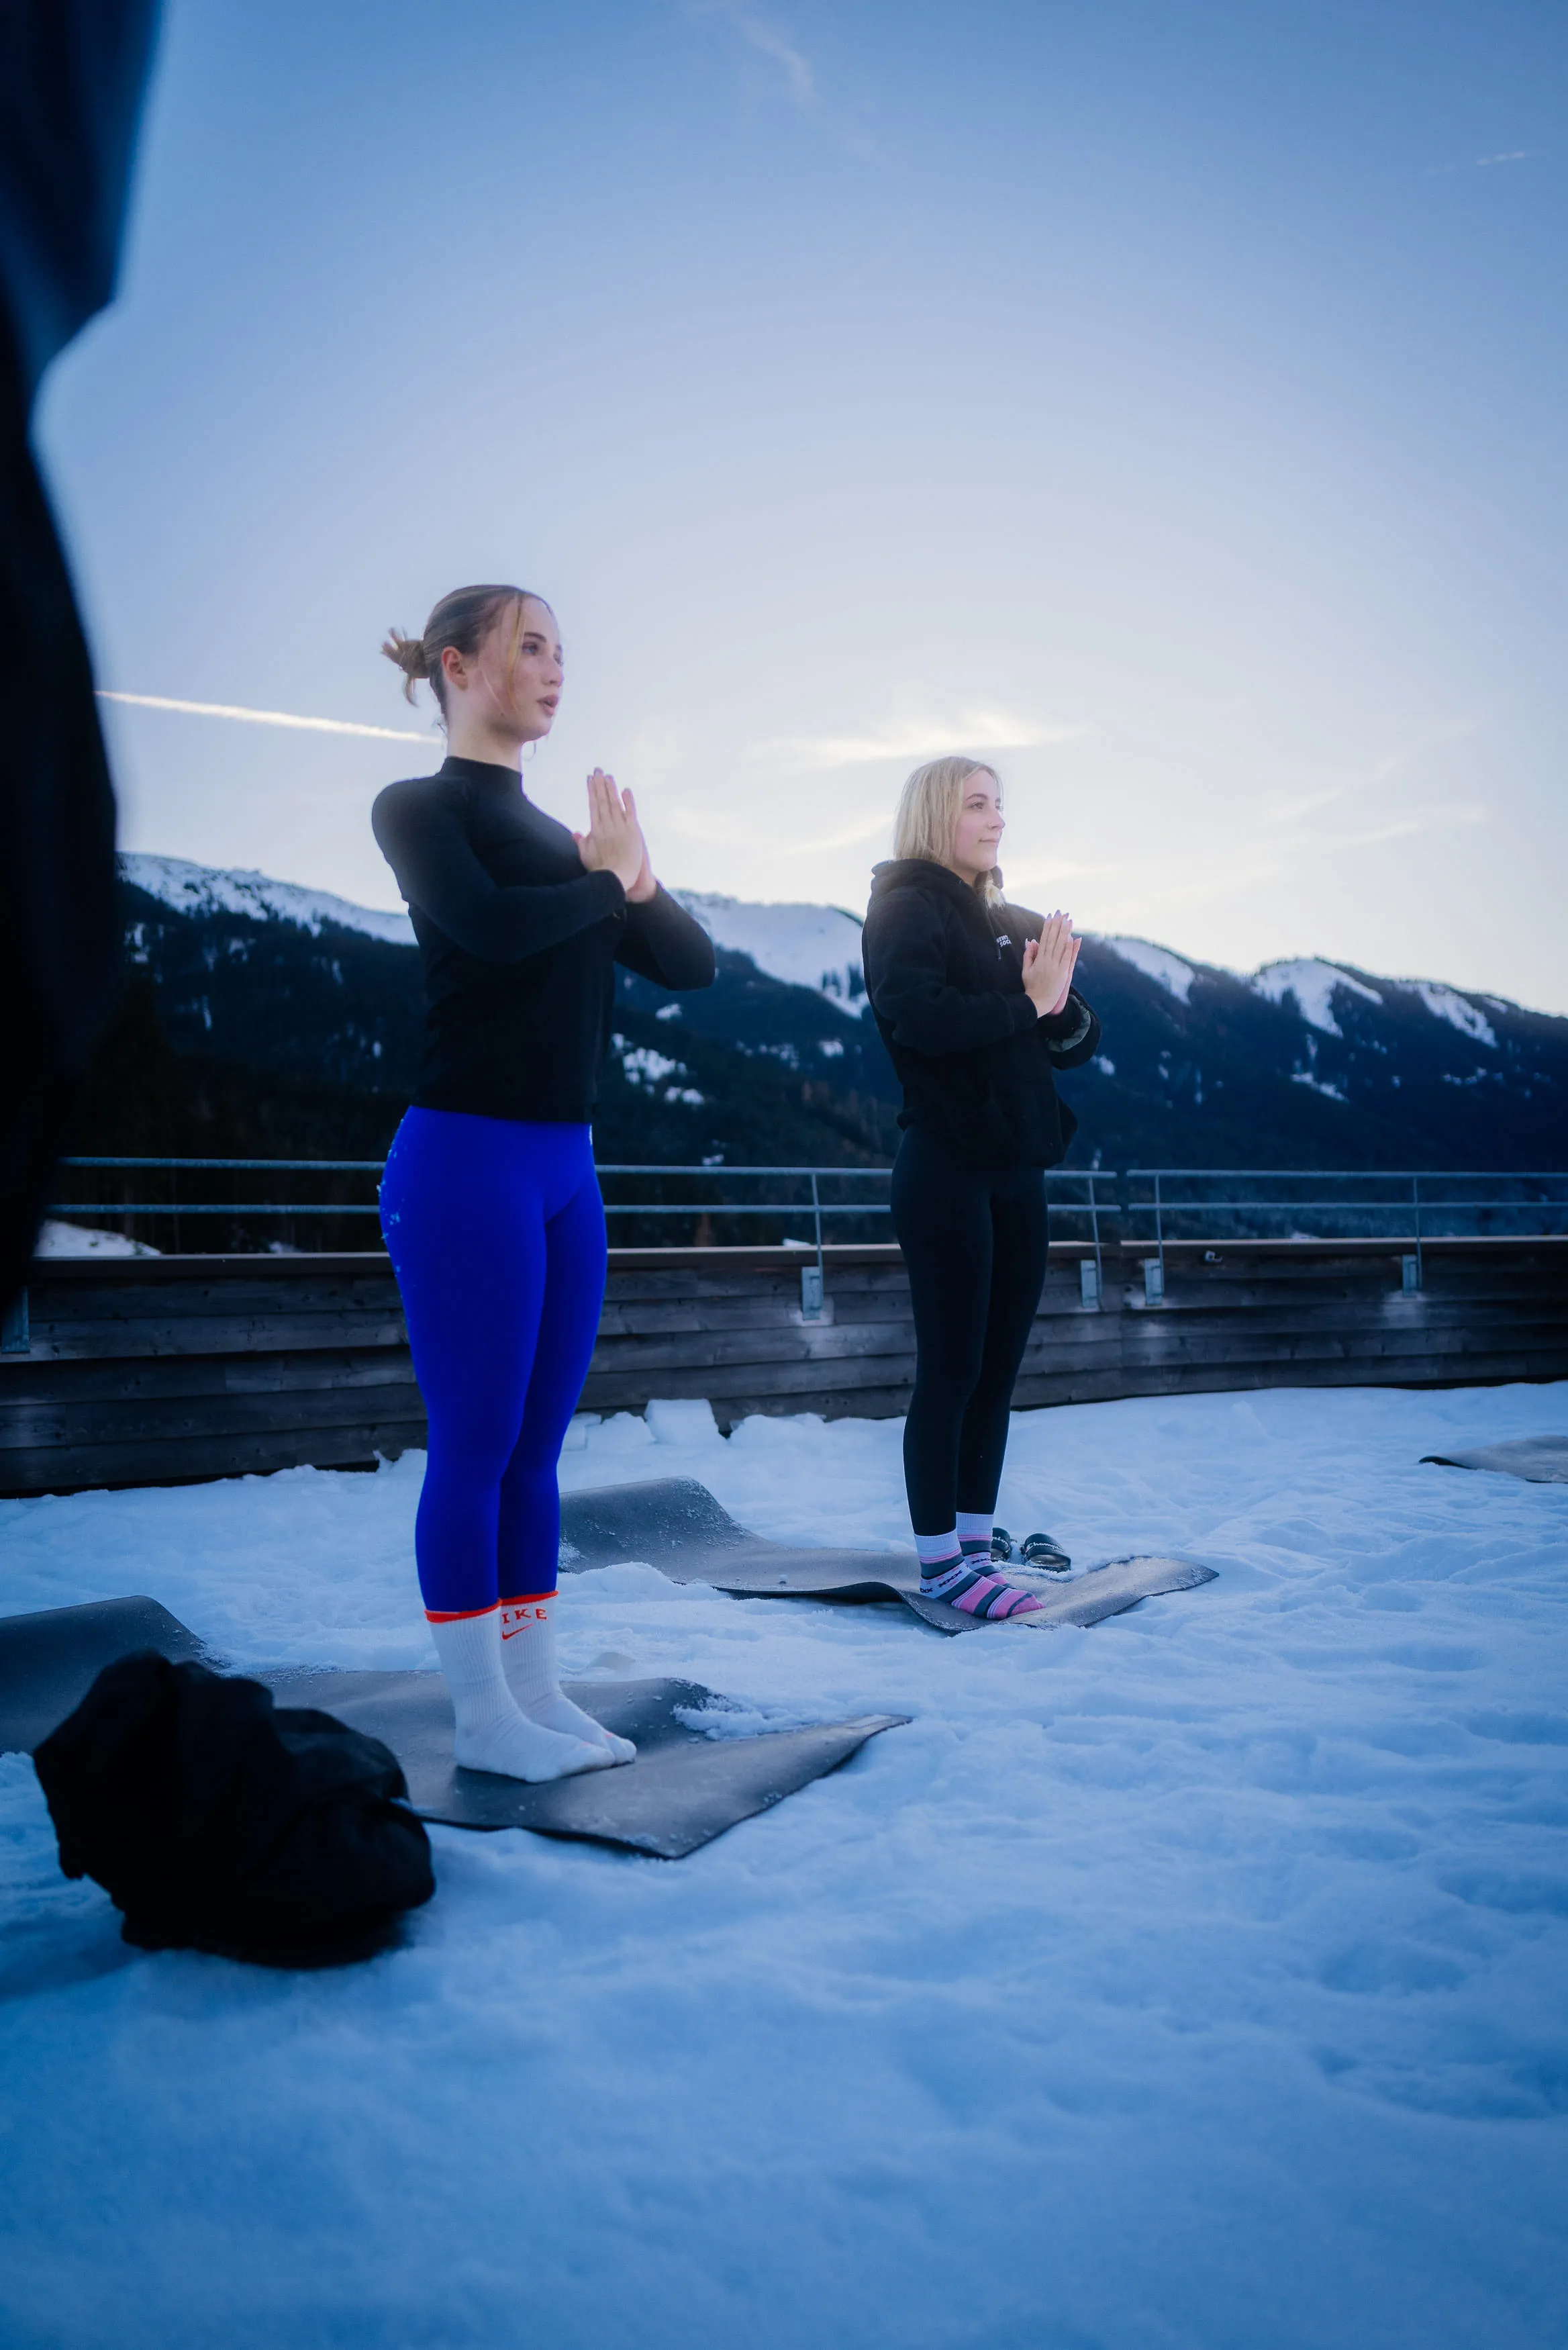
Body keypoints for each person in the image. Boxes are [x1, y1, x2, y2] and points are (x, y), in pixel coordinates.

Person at [372, 584, 715, 1779]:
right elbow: (487, 927)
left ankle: (532, 1691)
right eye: (531, 648)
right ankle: (480, 1718)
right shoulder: (418, 808)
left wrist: (633, 876)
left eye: (564, 651)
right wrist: (604, 883)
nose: (555, 669)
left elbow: (691, 964)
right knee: (473, 1444)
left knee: (536, 1452)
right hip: (464, 1157)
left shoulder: (570, 847)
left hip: (564, 1168)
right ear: (460, 668)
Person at [861, 756, 1100, 1620]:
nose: (995, 817)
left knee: (995, 1372)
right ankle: (940, 1566)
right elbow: (916, 1017)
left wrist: (1058, 1001)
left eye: (999, 802)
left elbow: (1075, 1038)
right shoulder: (904, 907)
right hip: (944, 1166)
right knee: (952, 1367)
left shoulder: (1009, 919)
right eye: (976, 804)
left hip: (1016, 1168)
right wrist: (1027, 1006)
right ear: (935, 816)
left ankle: (972, 1548)